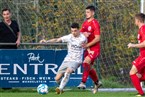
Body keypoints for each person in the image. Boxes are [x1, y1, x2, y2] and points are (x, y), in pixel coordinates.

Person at [40, 23, 87, 94]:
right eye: (72, 31)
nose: (73, 33)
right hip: (67, 60)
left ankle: (60, 88)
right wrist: (46, 41)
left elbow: (87, 45)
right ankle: (61, 88)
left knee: (68, 71)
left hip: (76, 60)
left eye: (75, 31)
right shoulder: (69, 37)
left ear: (78, 30)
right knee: (57, 79)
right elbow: (57, 40)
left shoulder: (83, 38)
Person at [77, 5, 102, 94]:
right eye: (86, 12)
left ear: (93, 13)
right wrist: (83, 34)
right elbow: (80, 33)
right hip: (87, 49)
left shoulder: (95, 23)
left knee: (86, 62)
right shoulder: (85, 23)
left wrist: (87, 45)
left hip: (95, 48)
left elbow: (97, 38)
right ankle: (97, 82)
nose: (86, 14)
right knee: (88, 67)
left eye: (88, 12)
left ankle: (83, 82)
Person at [128, 13, 145, 96]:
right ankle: (141, 92)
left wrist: (132, 45)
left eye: (135, 20)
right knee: (139, 76)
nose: (134, 21)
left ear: (138, 20)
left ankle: (141, 93)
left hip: (144, 56)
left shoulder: (143, 29)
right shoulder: (141, 29)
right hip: (142, 55)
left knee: (132, 72)